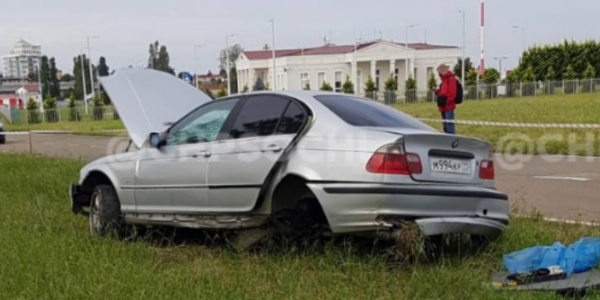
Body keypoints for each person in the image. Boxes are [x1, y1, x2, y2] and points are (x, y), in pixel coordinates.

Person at [434, 64, 457, 134]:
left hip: (448, 107)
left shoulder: (451, 79)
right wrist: (437, 91)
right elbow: (443, 92)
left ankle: (452, 140)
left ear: (443, 71)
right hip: (443, 107)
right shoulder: (443, 81)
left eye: (439, 72)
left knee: (449, 126)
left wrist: (446, 101)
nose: (439, 74)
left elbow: (452, 94)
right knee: (445, 126)